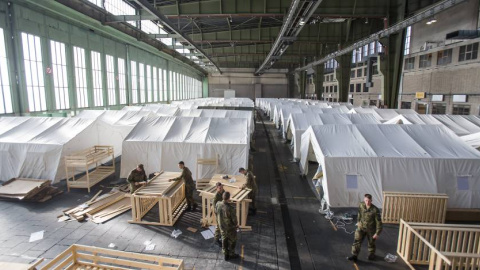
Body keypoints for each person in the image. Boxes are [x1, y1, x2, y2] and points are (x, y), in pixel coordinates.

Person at [347, 194, 383, 262]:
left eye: (369, 201)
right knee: (357, 241)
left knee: (371, 243)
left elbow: (379, 222)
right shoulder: (361, 205)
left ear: (371, 201)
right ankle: (354, 255)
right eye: (366, 200)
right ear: (364, 200)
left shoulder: (375, 210)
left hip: (371, 229)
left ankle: (371, 254)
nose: (367, 202)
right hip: (361, 227)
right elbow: (359, 213)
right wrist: (358, 222)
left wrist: (377, 233)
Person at [216, 191, 239, 261]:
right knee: (232, 240)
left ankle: (225, 254)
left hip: (222, 226)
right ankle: (231, 254)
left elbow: (216, 212)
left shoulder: (218, 204)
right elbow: (234, 220)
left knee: (224, 239)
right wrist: (236, 225)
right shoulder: (231, 208)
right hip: (229, 227)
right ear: (229, 198)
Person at [213, 182, 225, 247]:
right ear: (217, 188)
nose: (221, 189)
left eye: (222, 188)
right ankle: (216, 239)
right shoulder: (216, 196)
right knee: (218, 225)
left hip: (222, 210)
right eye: (220, 188)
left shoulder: (223, 191)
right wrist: (218, 214)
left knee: (222, 224)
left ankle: (220, 235)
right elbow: (214, 206)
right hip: (218, 212)